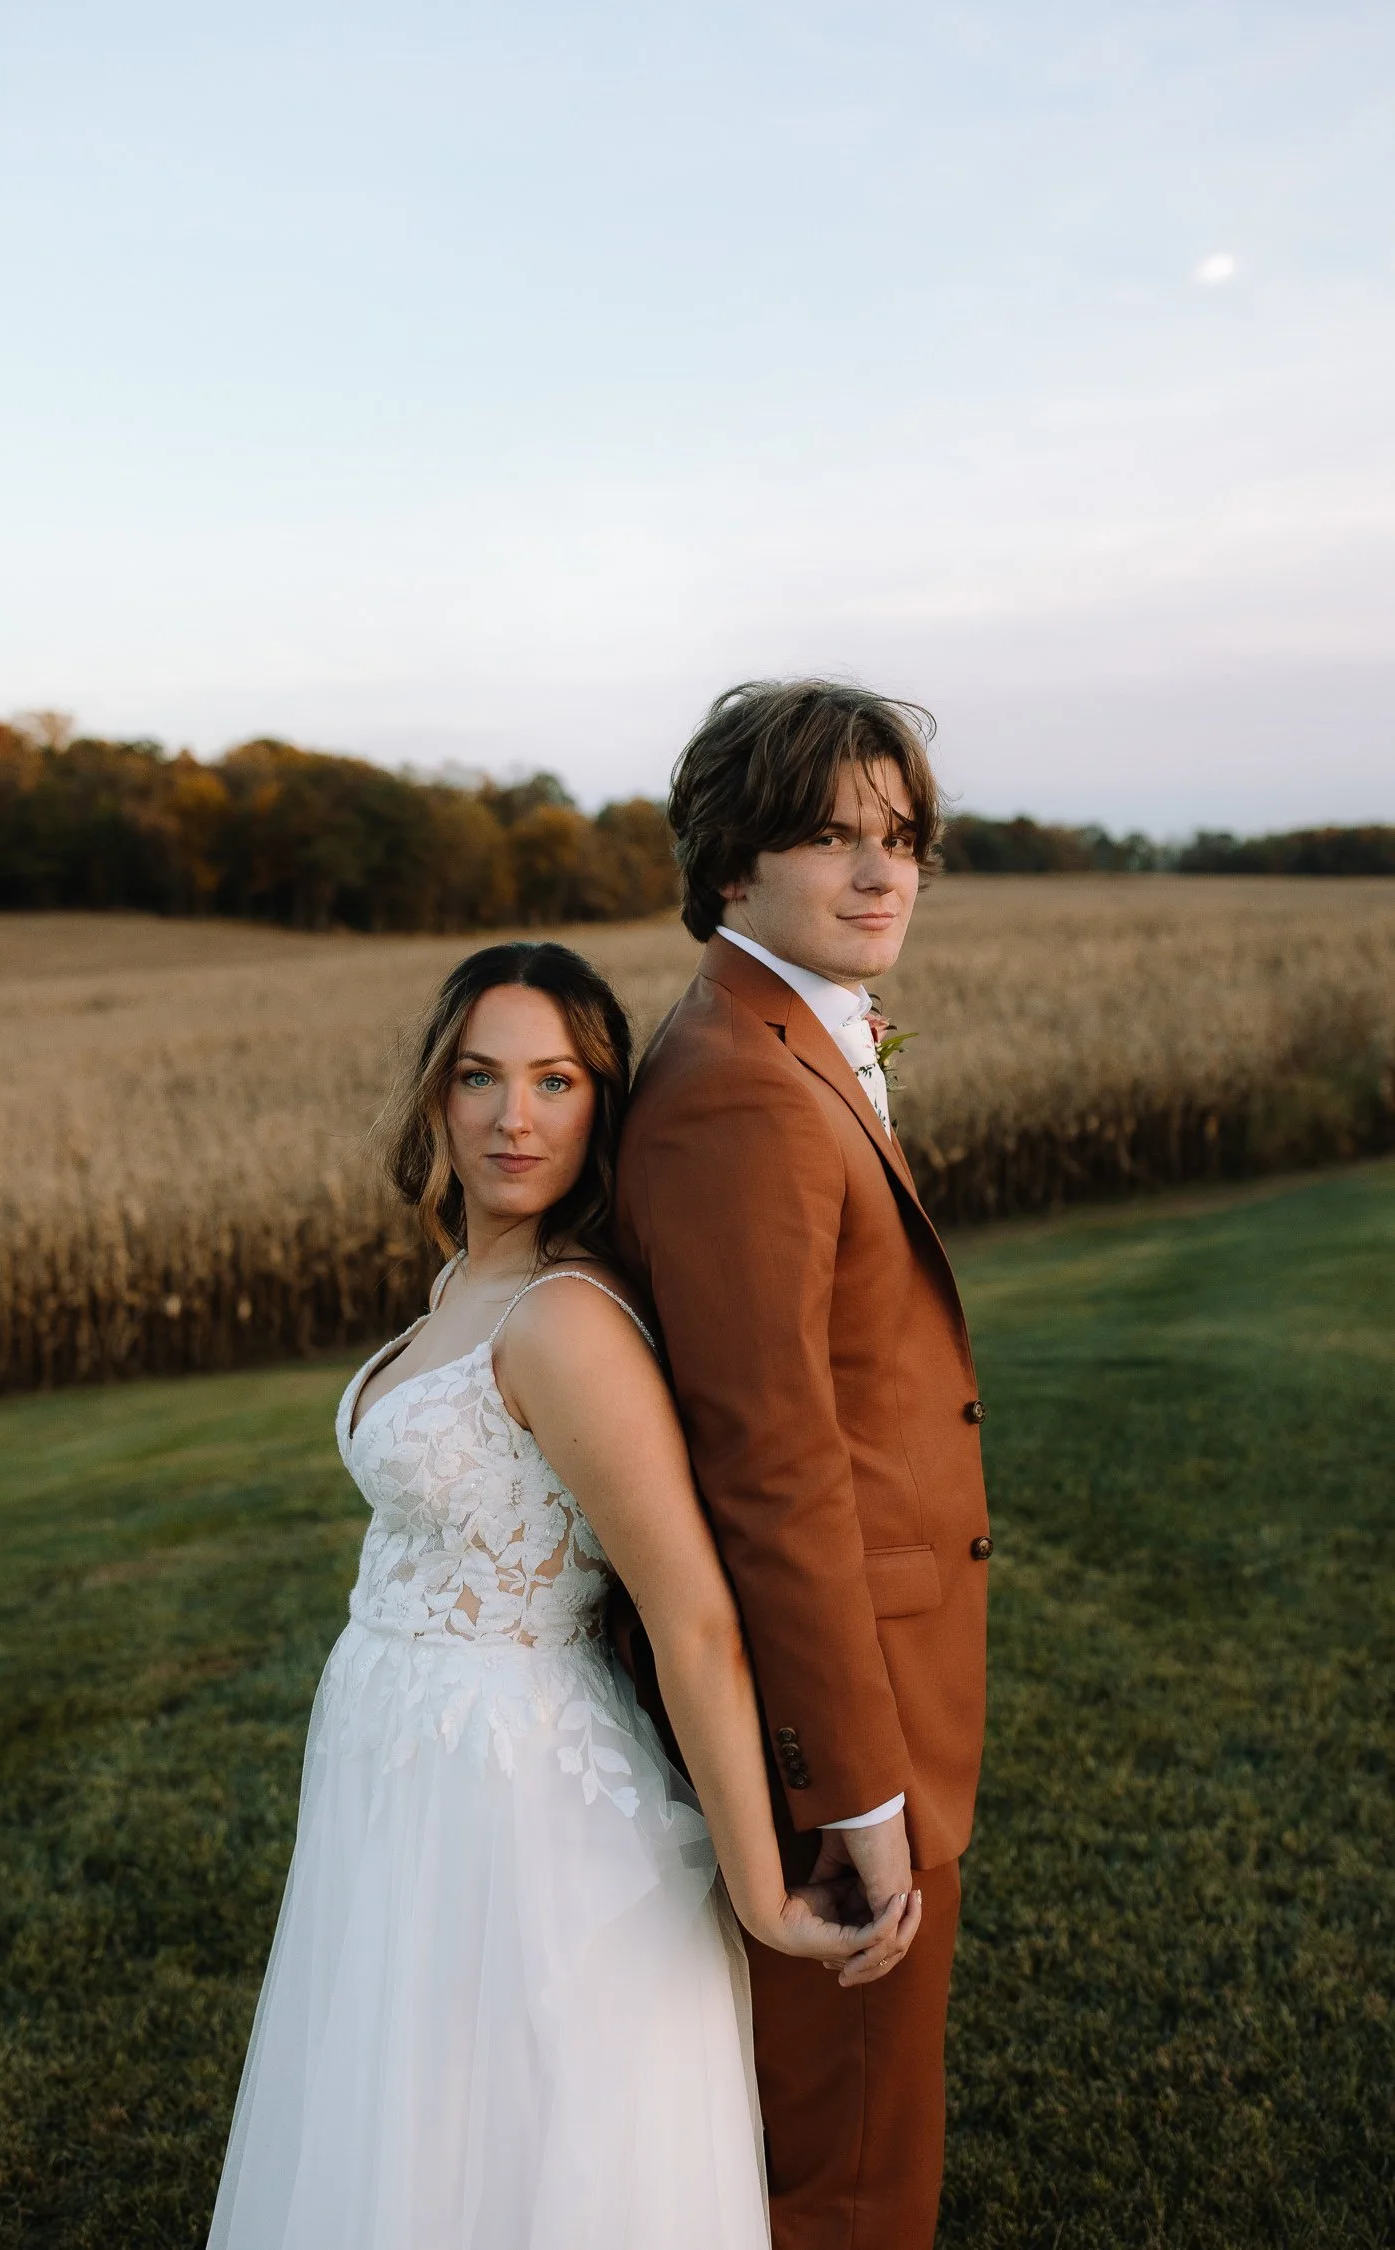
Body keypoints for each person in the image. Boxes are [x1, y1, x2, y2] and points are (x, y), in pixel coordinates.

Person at [206, 939, 907, 2250]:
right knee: (414, 2137)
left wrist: (760, 1888)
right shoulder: (465, 1286)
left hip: (522, 1806)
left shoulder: (567, 1321)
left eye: (556, 1080)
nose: (511, 1116)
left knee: (532, 2151)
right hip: (403, 1778)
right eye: (479, 1076)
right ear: (437, 1097)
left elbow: (694, 1615)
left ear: (605, 1102)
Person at [615, 681, 991, 2250]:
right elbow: (770, 1469)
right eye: (831, 835)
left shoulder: (787, 1039)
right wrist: (856, 1789)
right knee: (840, 2174)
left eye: (898, 836)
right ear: (725, 867)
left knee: (849, 2139)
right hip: (838, 1731)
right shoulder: (739, 1092)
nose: (880, 870)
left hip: (871, 1687)